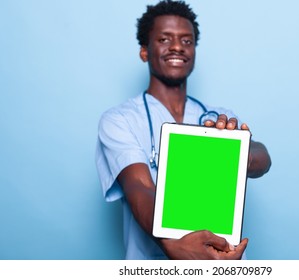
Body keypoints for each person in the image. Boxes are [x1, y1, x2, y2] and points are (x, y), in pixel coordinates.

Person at [96, 0, 271, 260]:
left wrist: (239, 154)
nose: (177, 46)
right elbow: (140, 186)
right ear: (144, 51)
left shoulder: (219, 118)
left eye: (187, 41)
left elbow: (262, 157)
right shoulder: (120, 120)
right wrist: (171, 242)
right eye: (165, 39)